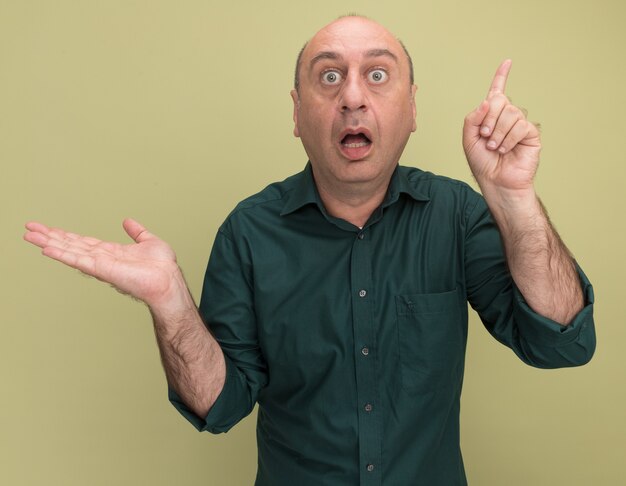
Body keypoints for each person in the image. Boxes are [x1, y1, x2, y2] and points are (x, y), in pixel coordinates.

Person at [24, 15, 595, 486]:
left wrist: (513, 197)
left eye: (377, 74)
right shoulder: (248, 233)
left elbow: (560, 344)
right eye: (328, 78)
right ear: (297, 113)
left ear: (413, 109)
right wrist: (170, 303)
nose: (352, 97)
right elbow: (219, 406)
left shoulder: (457, 215)